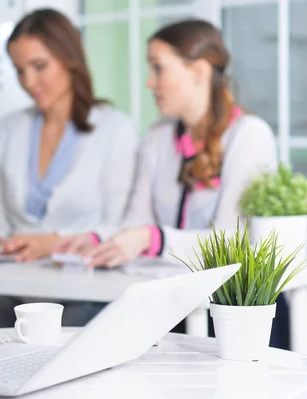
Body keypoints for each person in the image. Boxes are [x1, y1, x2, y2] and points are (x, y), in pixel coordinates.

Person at [54, 19, 289, 349]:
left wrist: (154, 239)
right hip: (167, 302)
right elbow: (137, 224)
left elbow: (231, 246)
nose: (150, 83)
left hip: (230, 312)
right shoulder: (158, 137)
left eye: (158, 68)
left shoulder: (249, 136)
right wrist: (97, 239)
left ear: (199, 72)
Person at [0, 8, 139, 328]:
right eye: (20, 70)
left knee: (62, 345)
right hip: (18, 290)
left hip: (86, 292)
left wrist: (53, 242)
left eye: (39, 66)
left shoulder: (115, 130)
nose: (28, 82)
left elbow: (121, 226)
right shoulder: (10, 129)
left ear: (69, 59)